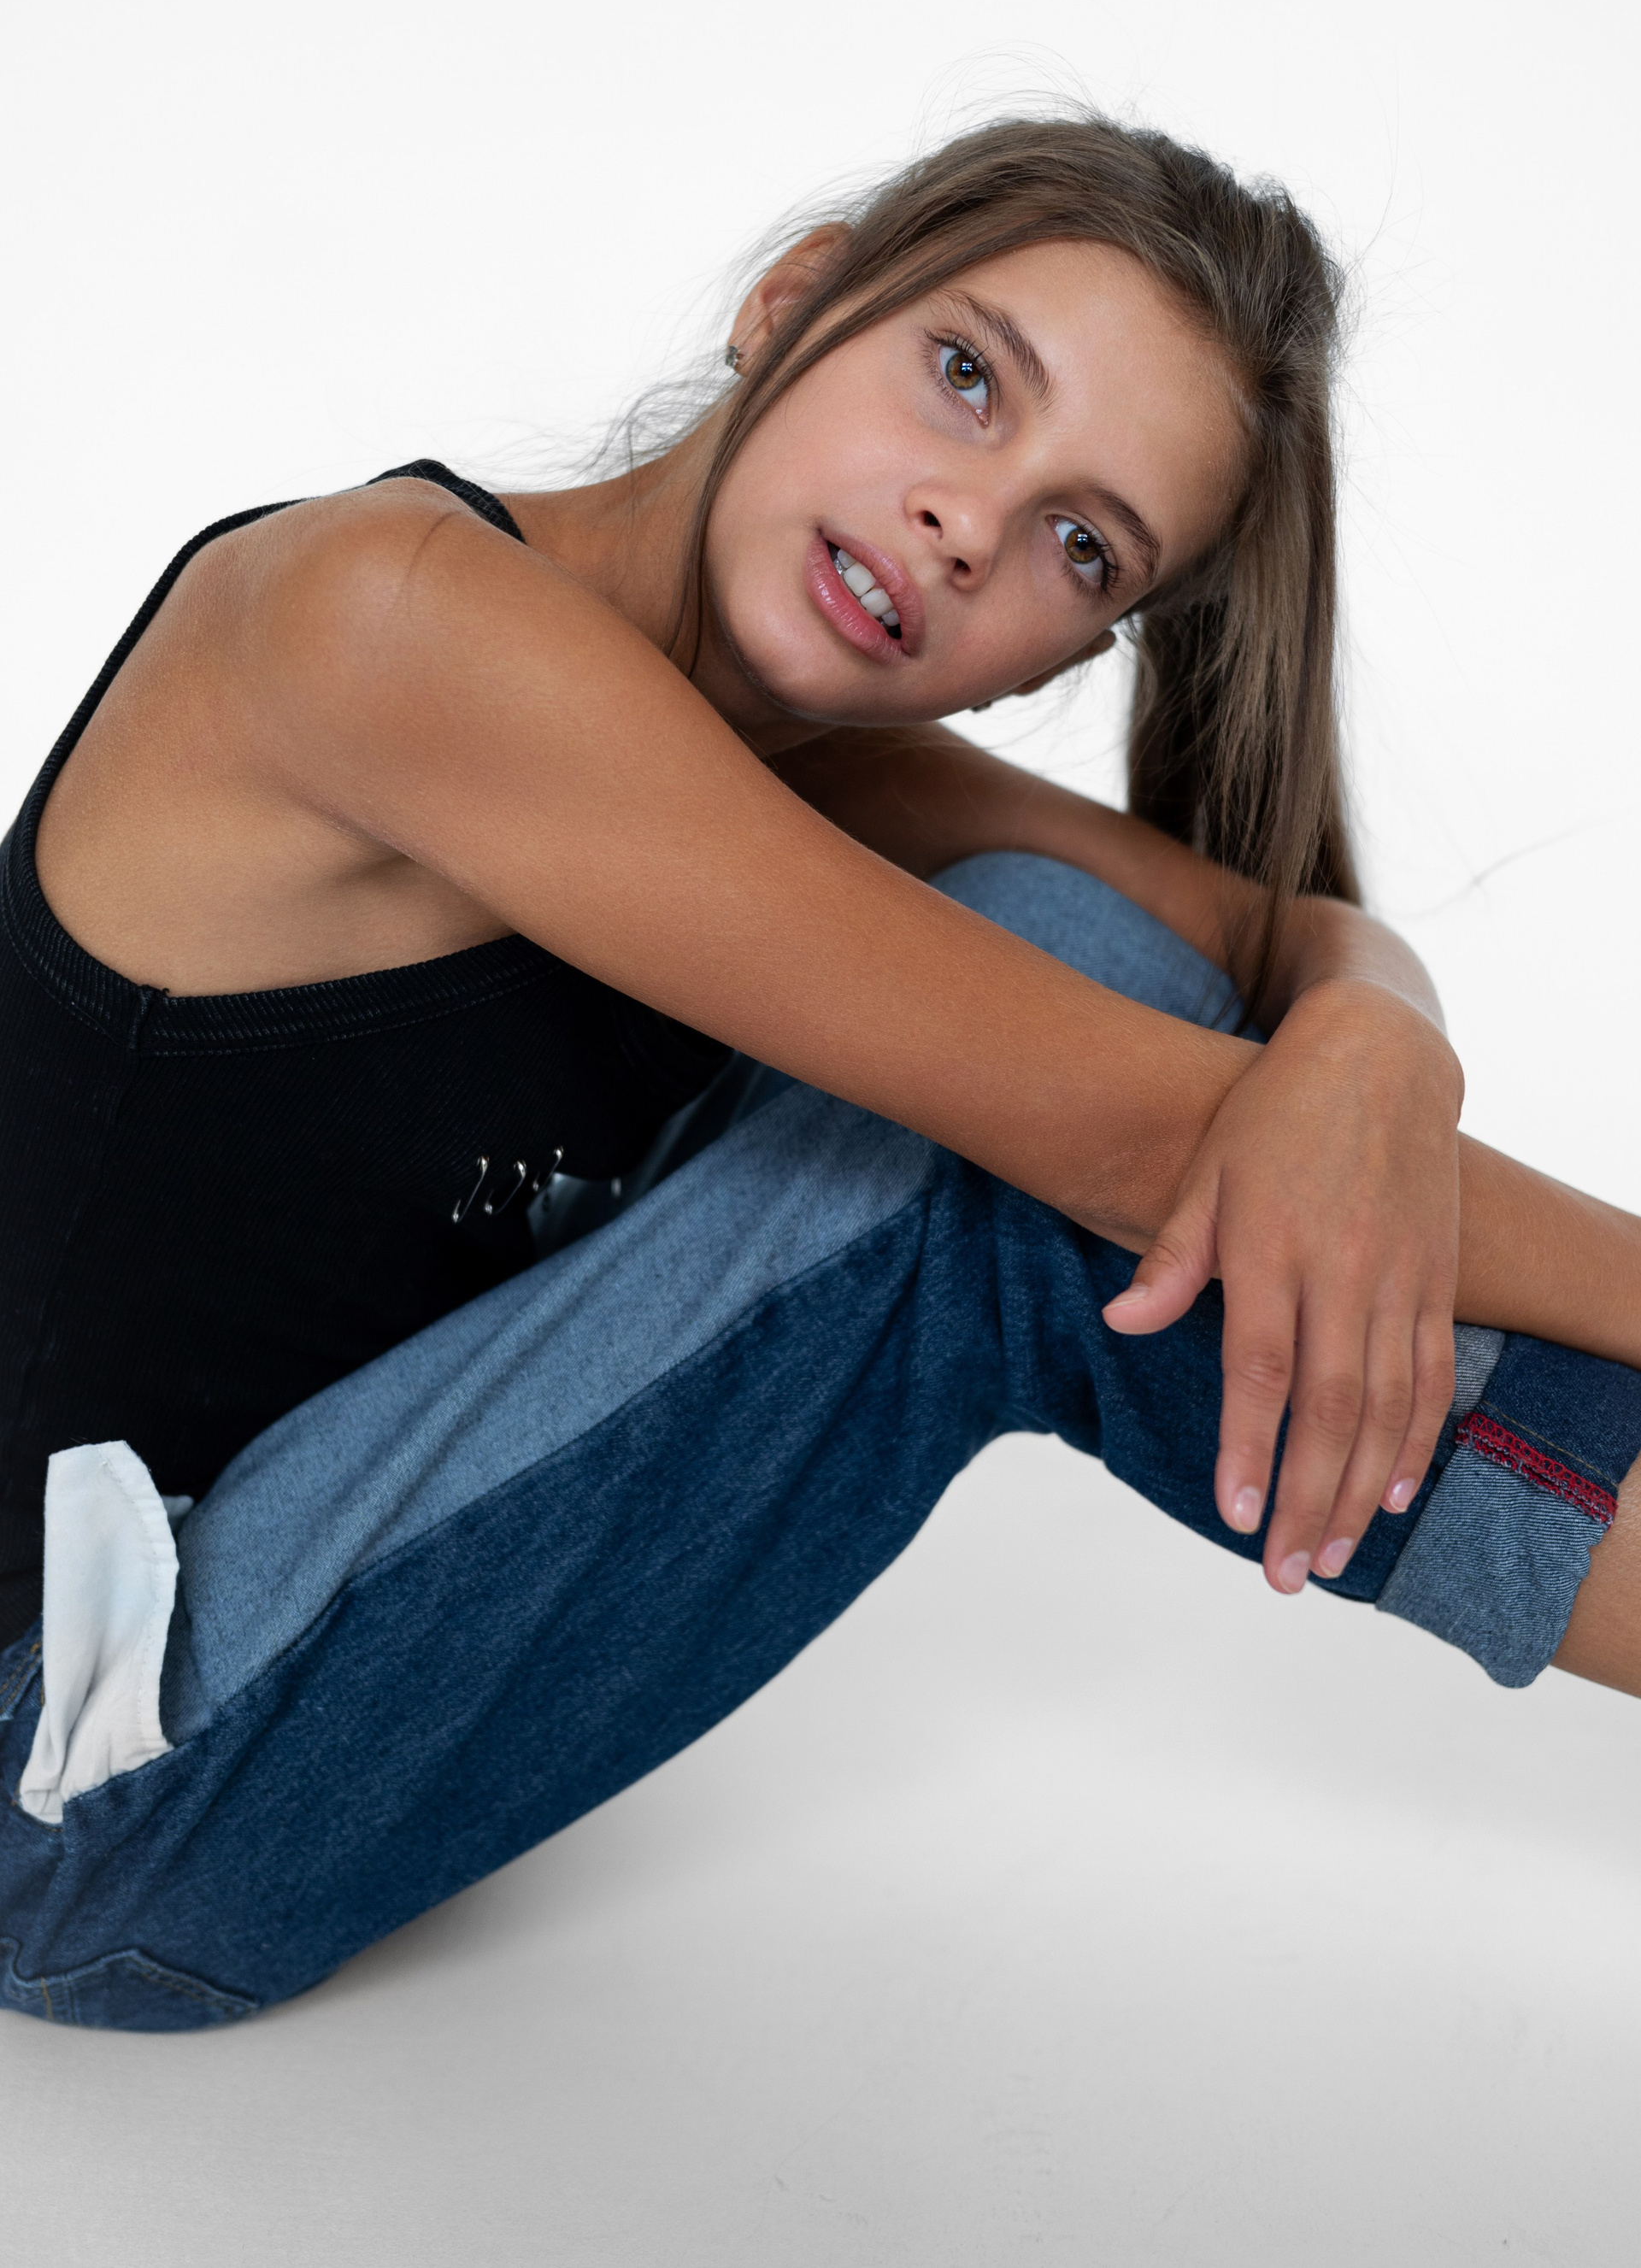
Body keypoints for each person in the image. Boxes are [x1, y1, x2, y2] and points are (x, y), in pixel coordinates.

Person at [3, 113, 1638, 2034]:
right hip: (78, 1779)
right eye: (966, 377)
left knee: (1082, 959)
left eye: (1080, 544)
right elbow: (1136, 1139)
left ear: (1058, 662)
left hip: (285, 1638)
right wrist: (1345, 1079)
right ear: (794, 301)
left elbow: (1269, 936)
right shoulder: (388, 622)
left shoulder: (824, 773)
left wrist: (1377, 1037)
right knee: (997, 1185)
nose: (970, 524)